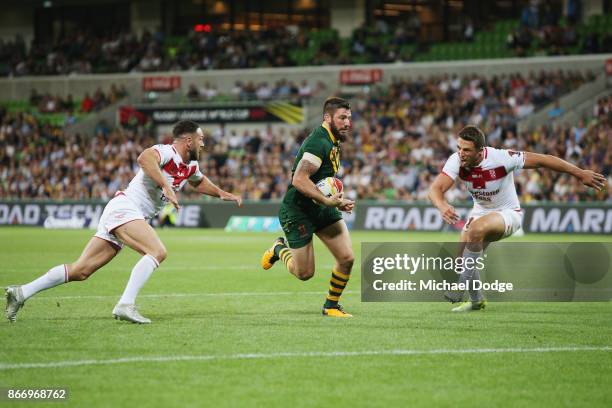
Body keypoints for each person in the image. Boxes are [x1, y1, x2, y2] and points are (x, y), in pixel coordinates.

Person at [6, 120, 242, 324]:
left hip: (125, 214)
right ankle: (125, 304)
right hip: (126, 208)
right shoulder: (166, 152)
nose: (204, 144)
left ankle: (21, 292)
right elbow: (144, 158)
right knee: (157, 251)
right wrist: (165, 185)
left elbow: (199, 182)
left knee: (81, 270)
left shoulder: (190, 165)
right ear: (188, 140)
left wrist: (224, 194)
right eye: (201, 139)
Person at [428, 125, 605, 312]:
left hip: (508, 214)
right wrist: (442, 205)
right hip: (480, 213)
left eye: (466, 150)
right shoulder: (456, 161)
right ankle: (476, 300)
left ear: (480, 151)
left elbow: (543, 160)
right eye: (459, 148)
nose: (461, 154)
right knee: (461, 262)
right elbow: (435, 190)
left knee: (474, 230)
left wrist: (579, 173)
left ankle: (460, 286)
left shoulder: (502, 158)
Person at [260, 97, 355, 318]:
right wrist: (328, 200)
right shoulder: (318, 142)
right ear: (327, 118)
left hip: (322, 206)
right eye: (342, 118)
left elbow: (322, 180)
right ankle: (278, 249)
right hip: (298, 210)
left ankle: (331, 305)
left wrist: (336, 200)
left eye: (349, 118)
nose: (348, 123)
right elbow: (299, 180)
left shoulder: (333, 139)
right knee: (304, 273)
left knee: (347, 258)